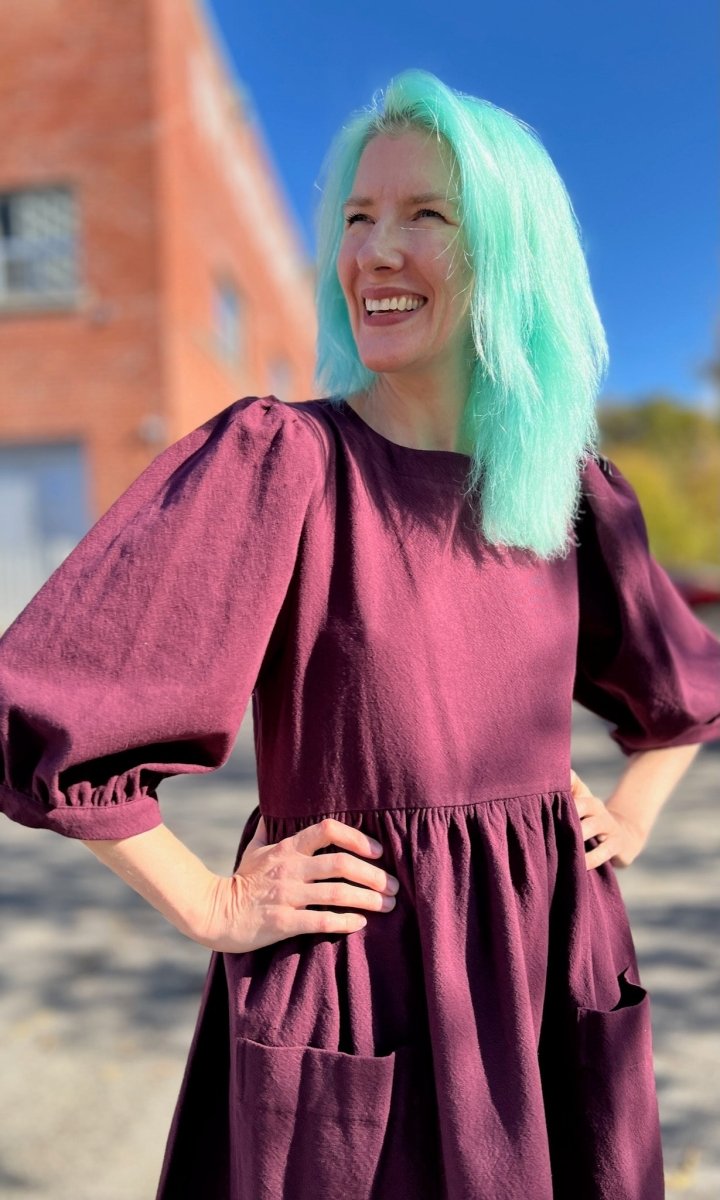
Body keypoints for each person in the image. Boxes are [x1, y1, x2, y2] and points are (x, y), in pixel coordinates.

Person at [0, 68, 718, 1200]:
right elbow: (45, 699)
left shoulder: (570, 493)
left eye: (426, 215)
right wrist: (209, 900)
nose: (375, 252)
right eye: (356, 218)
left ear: (512, 256)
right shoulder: (283, 461)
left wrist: (625, 816)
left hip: (547, 981)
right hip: (356, 986)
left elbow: (685, 688)